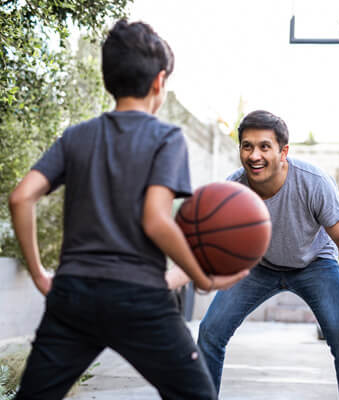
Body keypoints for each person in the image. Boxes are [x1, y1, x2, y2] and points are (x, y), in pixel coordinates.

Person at [9, 20, 247, 400]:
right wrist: (200, 276)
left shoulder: (76, 136)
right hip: (138, 299)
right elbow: (155, 220)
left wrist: (39, 273)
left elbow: (21, 197)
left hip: (73, 297)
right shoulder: (166, 137)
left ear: (108, 79)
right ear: (159, 82)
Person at [168, 110, 339, 399]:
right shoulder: (233, 190)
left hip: (314, 263)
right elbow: (207, 244)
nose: (254, 155)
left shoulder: (313, 182)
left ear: (283, 152)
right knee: (210, 332)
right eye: (247, 146)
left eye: (264, 146)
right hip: (259, 264)